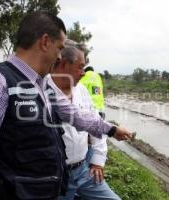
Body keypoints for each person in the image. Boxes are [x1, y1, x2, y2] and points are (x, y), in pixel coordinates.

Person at [0, 11, 131, 200]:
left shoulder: (42, 86)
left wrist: (111, 129)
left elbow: (75, 115)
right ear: (45, 42)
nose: (60, 57)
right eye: (60, 48)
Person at [48, 40, 120, 200]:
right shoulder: (44, 90)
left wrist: (98, 160)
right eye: (80, 66)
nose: (83, 72)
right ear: (64, 63)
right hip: (57, 176)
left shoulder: (81, 90)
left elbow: (93, 120)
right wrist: (114, 130)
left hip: (83, 170)